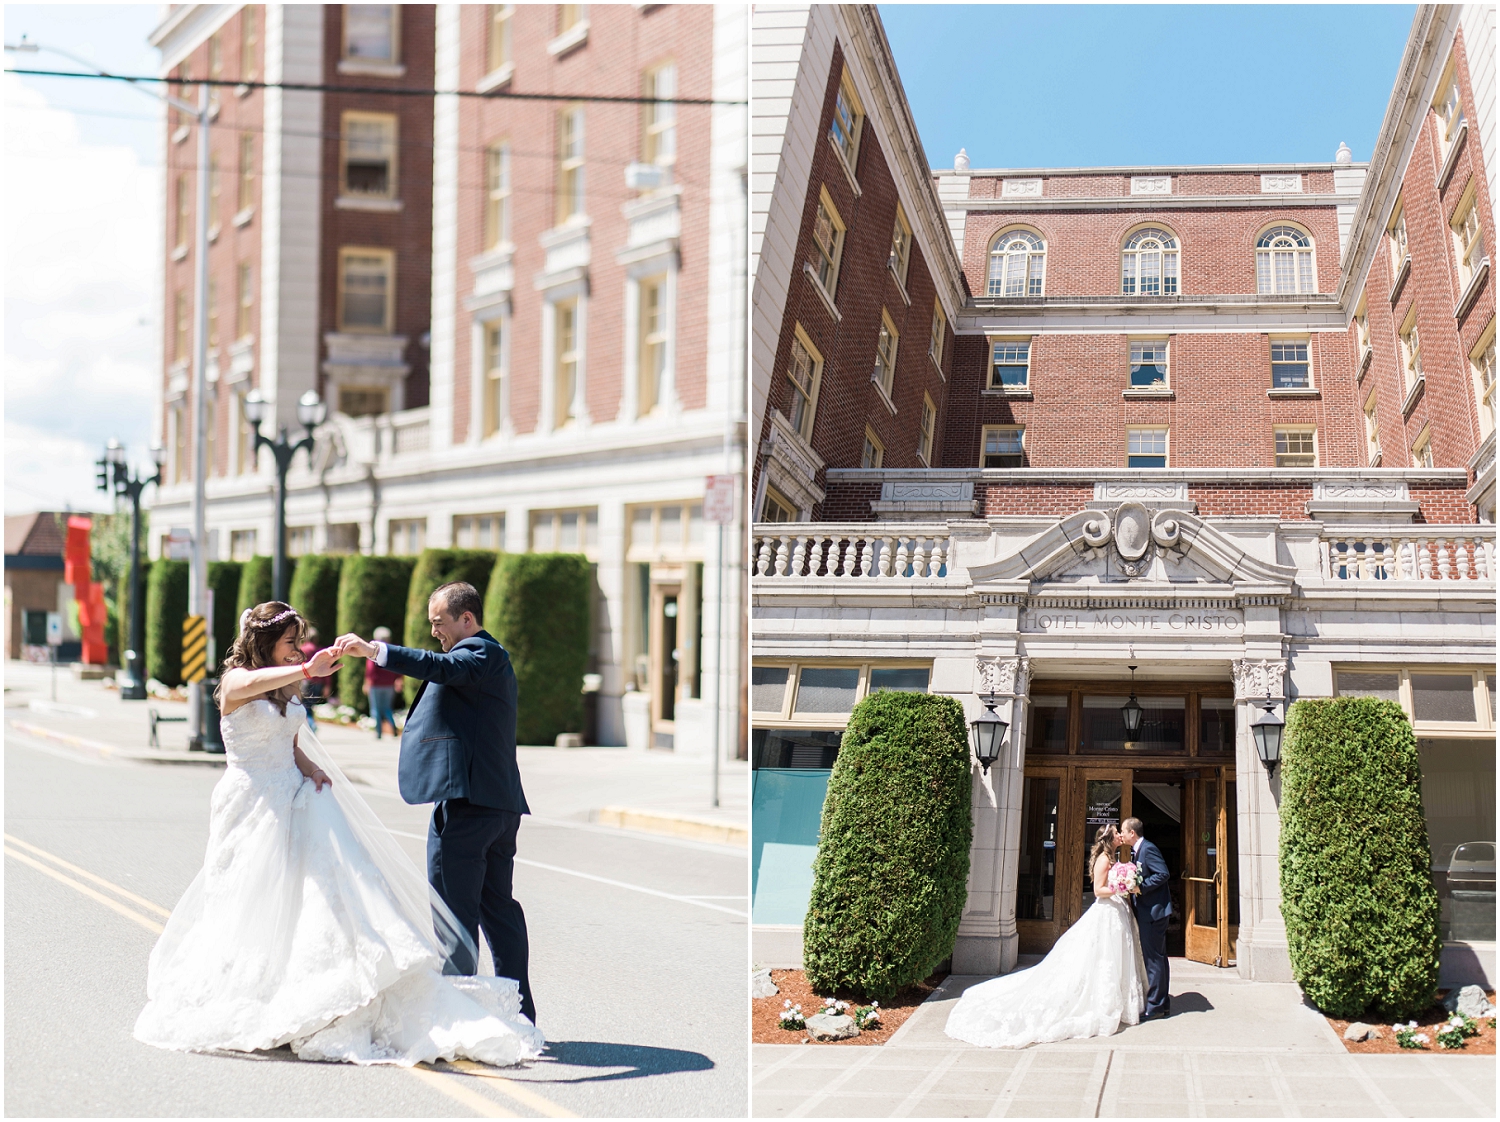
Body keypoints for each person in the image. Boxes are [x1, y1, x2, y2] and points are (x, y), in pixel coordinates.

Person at [134, 601, 543, 1067]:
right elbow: (249, 692)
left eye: (297, 645)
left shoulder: (479, 655)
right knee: (251, 899)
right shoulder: (235, 681)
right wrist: (308, 669)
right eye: (289, 644)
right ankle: (252, 989)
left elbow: (289, 739)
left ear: (465, 619)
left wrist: (309, 765)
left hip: (299, 798)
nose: (296, 653)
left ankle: (463, 1000)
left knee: (318, 901)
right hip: (251, 803)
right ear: (264, 643)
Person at [335, 581, 536, 1024]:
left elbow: (437, 666)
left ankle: (460, 1017)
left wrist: (374, 651)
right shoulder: (483, 659)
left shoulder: (481, 654)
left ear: (467, 619)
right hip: (495, 805)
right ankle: (516, 1015)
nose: (435, 633)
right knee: (498, 910)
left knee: (454, 916)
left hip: (468, 806)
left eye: (439, 623)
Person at [945, 823, 1147, 1048]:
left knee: (1111, 957)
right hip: (1106, 911)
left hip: (1116, 912)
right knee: (1101, 957)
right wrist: (1122, 888)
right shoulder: (1103, 860)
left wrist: (1125, 883)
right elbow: (1099, 890)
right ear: (1110, 838)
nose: (1121, 835)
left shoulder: (1112, 857)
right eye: (1117, 832)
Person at [1118, 816, 1173, 1020]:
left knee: (1153, 959)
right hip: (1149, 911)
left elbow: (1163, 873)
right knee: (1157, 957)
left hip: (1153, 912)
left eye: (1123, 831)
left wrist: (1141, 887)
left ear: (1132, 833)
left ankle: (1155, 1006)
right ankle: (1163, 1002)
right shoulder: (1137, 851)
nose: (1121, 835)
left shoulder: (1148, 849)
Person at [365, 626, 403, 739]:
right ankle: (393, 728)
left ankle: (379, 732)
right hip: (389, 684)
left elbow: (370, 670)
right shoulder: (393, 650)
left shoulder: (374, 651)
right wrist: (399, 679)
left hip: (376, 684)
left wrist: (367, 683)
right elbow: (399, 667)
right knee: (387, 708)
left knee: (376, 708)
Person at [298, 628, 329, 731]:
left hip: (307, 682)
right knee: (311, 705)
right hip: (319, 682)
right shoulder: (321, 651)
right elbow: (327, 669)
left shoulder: (303, 649)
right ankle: (312, 724)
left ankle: (311, 725)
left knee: (306, 706)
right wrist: (327, 685)